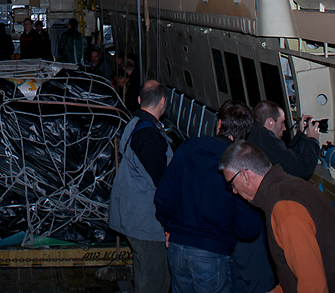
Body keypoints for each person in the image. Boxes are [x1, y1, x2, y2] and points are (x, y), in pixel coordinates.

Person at [220, 141, 335, 293]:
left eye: (232, 184)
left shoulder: (285, 208)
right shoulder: (289, 187)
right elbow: (294, 278)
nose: (234, 191)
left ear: (245, 175)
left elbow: (313, 286)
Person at [154, 101, 262, 293]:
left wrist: (170, 229)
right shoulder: (238, 166)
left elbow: (163, 196)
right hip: (212, 253)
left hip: (177, 249)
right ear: (245, 132)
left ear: (219, 124)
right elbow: (248, 228)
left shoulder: (187, 147)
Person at [109, 81, 172, 293]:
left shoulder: (134, 123)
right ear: (163, 101)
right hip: (147, 224)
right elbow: (163, 183)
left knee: (144, 272)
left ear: (139, 100)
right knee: (154, 280)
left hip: (133, 215)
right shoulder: (150, 136)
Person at [247, 100, 320, 179]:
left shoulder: (256, 132)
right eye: (282, 122)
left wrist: (302, 135)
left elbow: (287, 157)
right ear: (270, 122)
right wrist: (313, 139)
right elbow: (304, 170)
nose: (285, 128)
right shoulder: (266, 141)